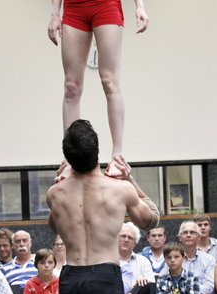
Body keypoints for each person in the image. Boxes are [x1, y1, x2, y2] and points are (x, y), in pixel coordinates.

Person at [46, 119, 159, 294]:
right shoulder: (120, 189)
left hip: (71, 280)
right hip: (103, 279)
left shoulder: (55, 193)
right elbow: (151, 218)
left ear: (68, 159)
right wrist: (130, 179)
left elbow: (57, 227)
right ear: (97, 153)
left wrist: (61, 181)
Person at [48, 0, 149, 180]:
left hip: (106, 5)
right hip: (74, 7)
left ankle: (117, 157)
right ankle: (70, 160)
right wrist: (55, 14)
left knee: (109, 81)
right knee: (71, 86)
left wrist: (140, 6)